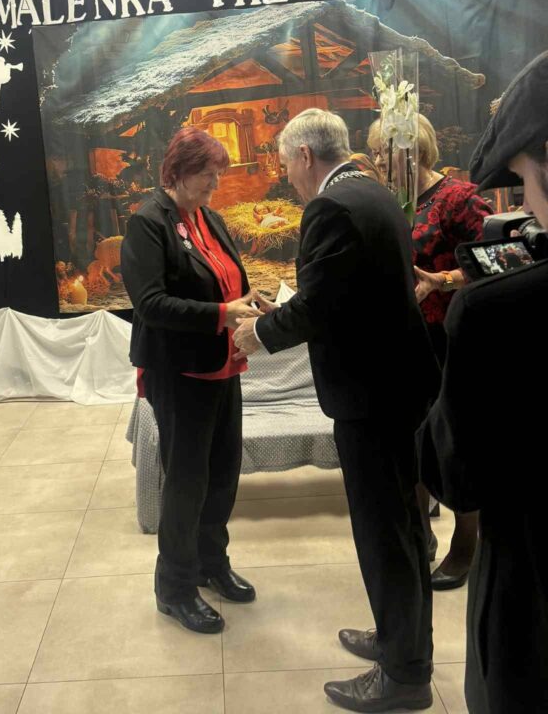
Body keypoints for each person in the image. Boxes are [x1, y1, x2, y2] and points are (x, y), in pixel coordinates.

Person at [234, 109, 438, 712]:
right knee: (402, 528)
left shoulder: (329, 207)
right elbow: (347, 292)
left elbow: (320, 307)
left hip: (371, 398)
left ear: (304, 156)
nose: (286, 177)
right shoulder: (373, 192)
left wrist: (259, 333)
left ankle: (404, 676)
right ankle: (399, 638)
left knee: (385, 535)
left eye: (285, 165)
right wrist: (284, 311)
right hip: (397, 388)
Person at [417, 51, 548, 714]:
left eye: (523, 180)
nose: (523, 205)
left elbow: (455, 476)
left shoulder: (495, 313)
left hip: (533, 616)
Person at [120, 127, 262, 635]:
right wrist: (222, 314)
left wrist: (251, 303)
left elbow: (229, 281)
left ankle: (211, 563)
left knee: (222, 472)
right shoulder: (148, 223)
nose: (216, 183)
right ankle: (175, 588)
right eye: (207, 174)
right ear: (178, 172)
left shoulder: (209, 217)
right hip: (180, 371)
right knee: (186, 481)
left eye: (218, 173)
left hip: (223, 365)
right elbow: (150, 304)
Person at [369, 114, 492, 590]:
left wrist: (443, 280)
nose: (378, 160)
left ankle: (466, 545)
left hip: (453, 340)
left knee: (456, 443)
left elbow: (501, 258)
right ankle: (419, 537)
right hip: (406, 340)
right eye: (374, 152)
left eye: (384, 151)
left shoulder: (458, 197)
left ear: (414, 150)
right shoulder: (390, 200)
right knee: (412, 441)